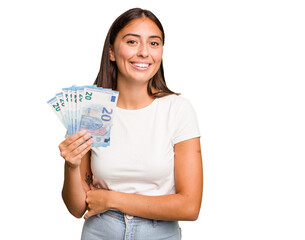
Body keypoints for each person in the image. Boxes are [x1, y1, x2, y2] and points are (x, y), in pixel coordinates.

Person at [58, 8, 203, 239]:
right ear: (112, 52)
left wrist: (113, 199)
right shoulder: (90, 112)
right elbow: (78, 208)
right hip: (100, 232)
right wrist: (71, 166)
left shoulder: (178, 110)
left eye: (154, 43)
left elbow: (190, 206)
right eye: (132, 41)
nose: (144, 52)